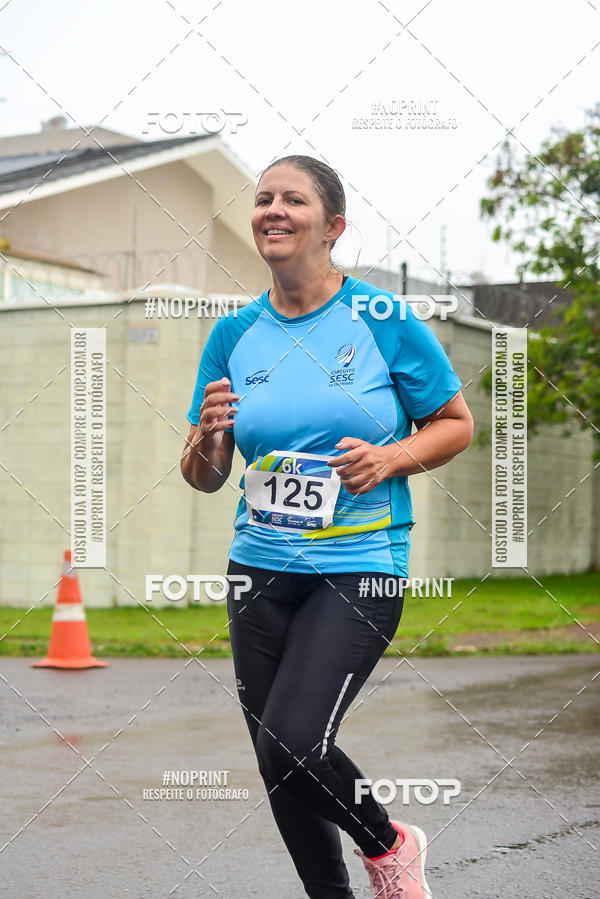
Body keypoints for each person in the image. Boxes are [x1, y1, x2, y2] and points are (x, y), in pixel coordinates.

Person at [181, 155, 473, 899]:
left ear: (333, 226)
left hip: (359, 563)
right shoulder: (235, 334)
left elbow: (455, 423)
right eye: (263, 199)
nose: (272, 210)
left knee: (294, 738)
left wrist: (391, 456)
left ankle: (389, 841)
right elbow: (205, 473)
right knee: (276, 759)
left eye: (293, 200)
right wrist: (207, 438)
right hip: (259, 569)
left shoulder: (383, 319)